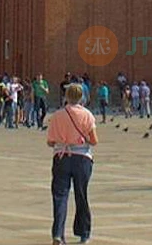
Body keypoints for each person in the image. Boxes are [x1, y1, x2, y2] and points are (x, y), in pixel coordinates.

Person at [47, 84, 98, 245]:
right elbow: (94, 140)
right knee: (81, 195)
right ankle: (84, 233)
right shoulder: (87, 115)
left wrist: (64, 141)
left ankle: (58, 234)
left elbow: (50, 141)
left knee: (60, 197)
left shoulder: (57, 115)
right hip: (82, 158)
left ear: (66, 96)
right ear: (81, 97)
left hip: (61, 157)